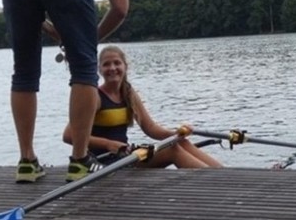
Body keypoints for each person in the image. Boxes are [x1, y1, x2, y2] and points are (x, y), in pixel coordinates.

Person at [0, 0, 130, 183]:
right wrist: (87, 41)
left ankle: (27, 161)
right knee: (84, 68)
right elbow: (120, 7)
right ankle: (80, 161)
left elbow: (37, 13)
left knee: (24, 70)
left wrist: (59, 31)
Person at [66, 45, 224, 169]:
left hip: (125, 155)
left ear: (125, 66)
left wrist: (176, 134)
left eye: (117, 63)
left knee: (179, 142)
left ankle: (224, 174)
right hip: (104, 161)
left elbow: (151, 129)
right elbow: (68, 135)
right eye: (106, 64)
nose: (112, 68)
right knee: (172, 150)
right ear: (99, 70)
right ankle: (213, 180)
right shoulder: (95, 97)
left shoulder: (128, 93)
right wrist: (108, 144)